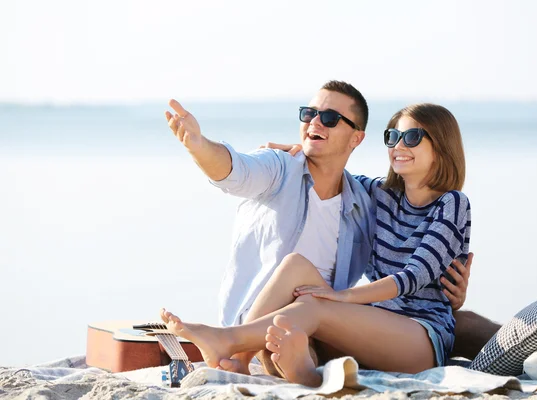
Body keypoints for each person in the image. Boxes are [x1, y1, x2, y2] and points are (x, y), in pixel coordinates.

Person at [161, 102, 472, 386]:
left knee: (314, 305)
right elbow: (330, 171)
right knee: (294, 269)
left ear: (441, 145)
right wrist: (299, 154)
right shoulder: (379, 194)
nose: (399, 146)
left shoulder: (452, 203)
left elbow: (412, 277)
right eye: (393, 137)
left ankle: (228, 339)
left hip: (420, 339)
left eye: (413, 137)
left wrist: (342, 296)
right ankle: (242, 361)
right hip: (371, 326)